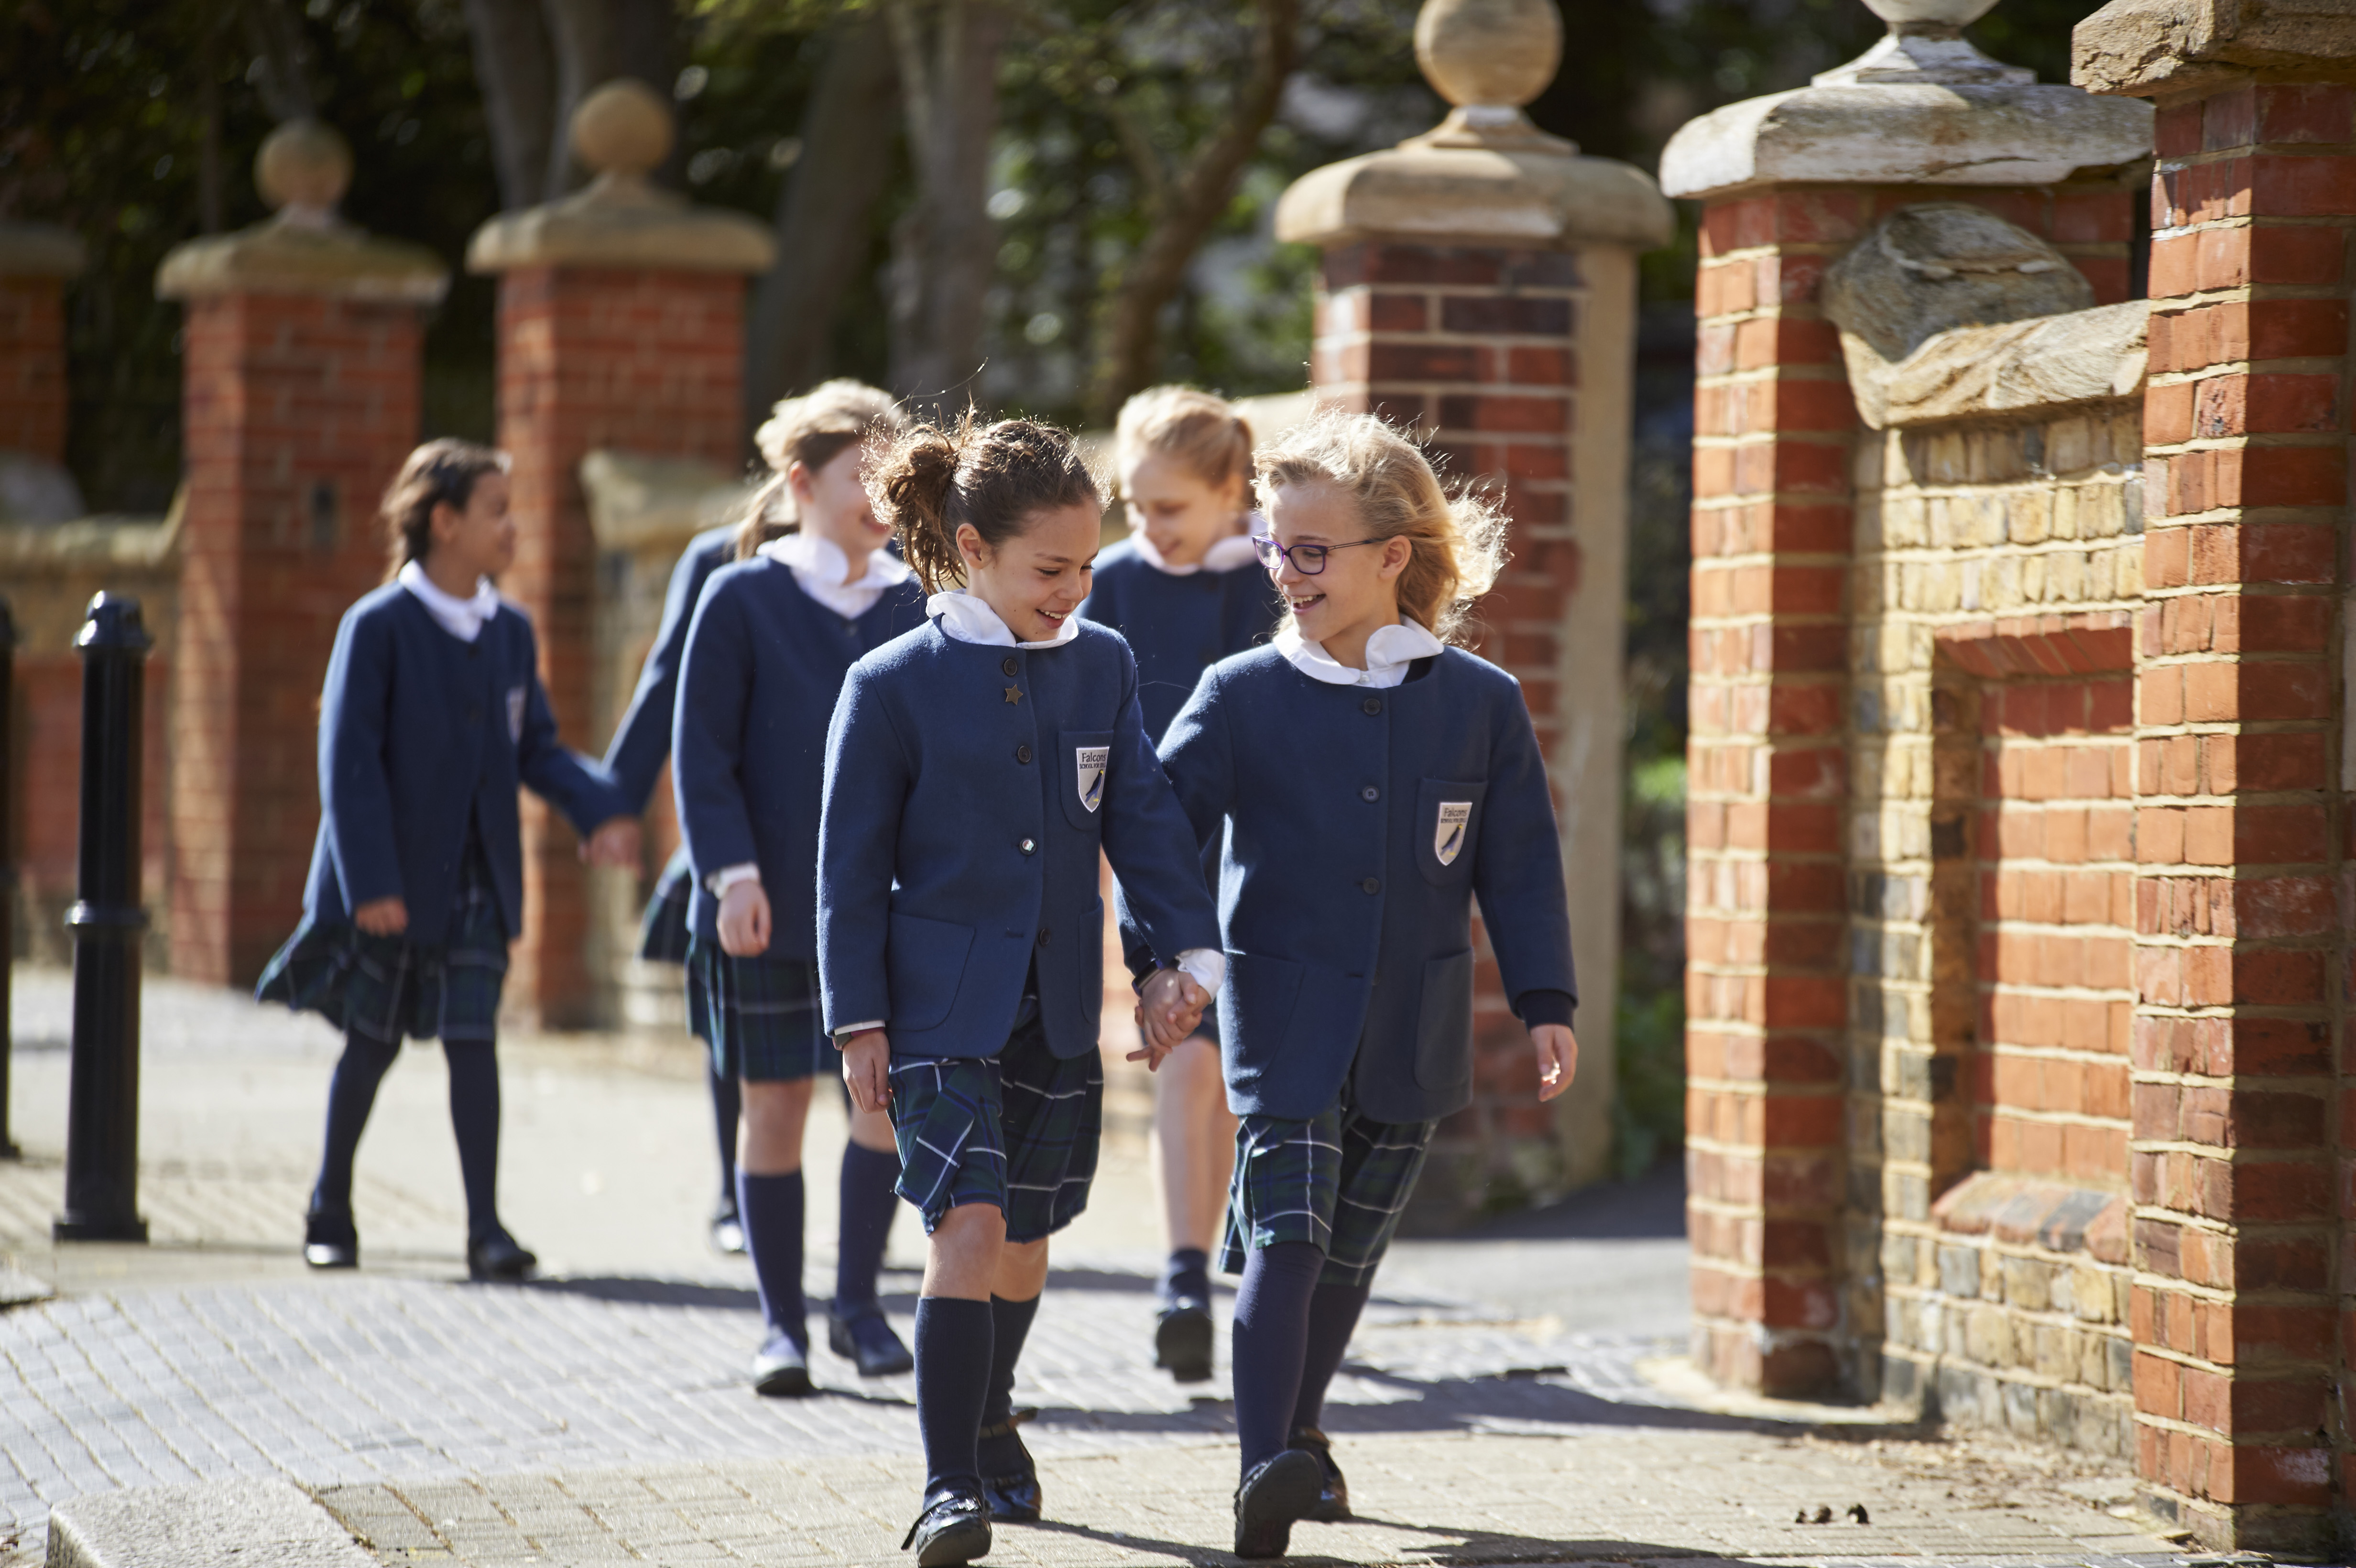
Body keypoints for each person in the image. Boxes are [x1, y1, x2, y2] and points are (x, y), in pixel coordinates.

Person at [1132, 411, 1581, 1558]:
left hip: (1412, 1027)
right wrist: (1165, 960)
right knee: (1287, 1235)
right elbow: (1157, 834)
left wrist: (1546, 1002)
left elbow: (1519, 865)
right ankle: (1260, 1469)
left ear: (1391, 555)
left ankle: (1299, 1430)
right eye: (1274, 547)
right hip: (1280, 1021)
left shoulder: (1480, 701)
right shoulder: (1238, 692)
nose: (1287, 571)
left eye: (1311, 551)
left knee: (1347, 1252)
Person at [819, 414, 1222, 1567]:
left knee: (1028, 1240)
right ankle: (947, 1486)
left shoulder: (1103, 663)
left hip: (1056, 1003)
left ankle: (991, 1408)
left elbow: (1142, 818)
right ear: (971, 547)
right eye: (1051, 568)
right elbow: (846, 871)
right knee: (969, 1225)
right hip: (935, 1012)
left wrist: (1182, 958)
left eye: (1087, 565)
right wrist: (858, 1021)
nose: (1075, 588)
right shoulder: (888, 684)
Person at [258, 439, 639, 1282]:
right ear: (445, 522)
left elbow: (536, 748)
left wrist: (601, 808)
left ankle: (485, 1230)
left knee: (474, 1043)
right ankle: (329, 1205)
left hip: (477, 884)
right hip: (391, 882)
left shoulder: (510, 632)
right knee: (372, 1044)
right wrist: (372, 884)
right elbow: (348, 765)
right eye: (498, 511)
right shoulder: (377, 627)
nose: (514, 527)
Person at [673, 380, 924, 1394]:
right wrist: (730, 875)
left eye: (892, 478)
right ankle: (782, 1328)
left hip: (887, 913)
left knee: (882, 1107)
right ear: (800, 484)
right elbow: (701, 754)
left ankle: (858, 1308)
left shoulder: (918, 601)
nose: (880, 497)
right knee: (772, 1110)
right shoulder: (740, 597)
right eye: (860, 476)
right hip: (765, 905)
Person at [1077, 386, 1281, 1384]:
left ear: (1232, 490)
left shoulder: (1280, 580)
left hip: (1266, 862)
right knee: (1187, 1066)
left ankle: (1241, 1269)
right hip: (1163, 861)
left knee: (1242, 1079)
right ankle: (1182, 1277)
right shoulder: (1113, 584)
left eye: (1170, 508)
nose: (1147, 526)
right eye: (1135, 504)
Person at [604, 519, 742, 1253]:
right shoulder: (718, 558)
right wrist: (612, 805)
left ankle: (866, 1217)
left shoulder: (895, 555)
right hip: (738, 834)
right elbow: (666, 688)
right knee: (738, 1026)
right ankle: (734, 1194)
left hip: (854, 841)